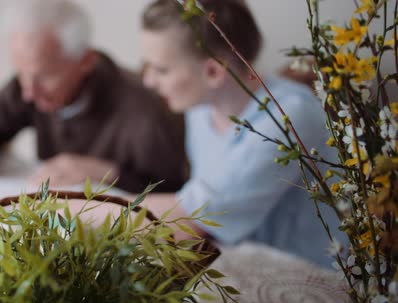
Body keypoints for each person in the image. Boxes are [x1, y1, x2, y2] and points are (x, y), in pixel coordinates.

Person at [133, 0, 344, 267]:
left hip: (313, 281)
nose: (148, 81)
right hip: (245, 265)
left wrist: (77, 204)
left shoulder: (287, 119)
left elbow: (192, 218)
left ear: (213, 71)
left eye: (161, 70)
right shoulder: (200, 108)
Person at [0, 0, 187, 193]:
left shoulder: (144, 110)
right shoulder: (29, 82)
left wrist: (108, 172)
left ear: (85, 61)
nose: (28, 93)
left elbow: (175, 193)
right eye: (20, 73)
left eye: (43, 77)